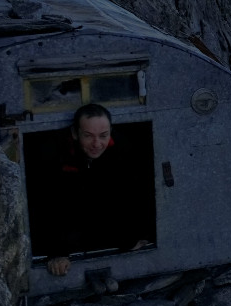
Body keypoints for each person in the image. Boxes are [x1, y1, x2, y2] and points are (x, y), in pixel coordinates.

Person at [40, 103, 152, 276]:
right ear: (75, 133)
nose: (97, 144)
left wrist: (133, 237)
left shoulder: (122, 147)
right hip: (67, 223)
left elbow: (131, 196)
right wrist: (57, 253)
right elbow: (45, 204)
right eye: (88, 136)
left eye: (103, 135)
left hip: (100, 221)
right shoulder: (53, 150)